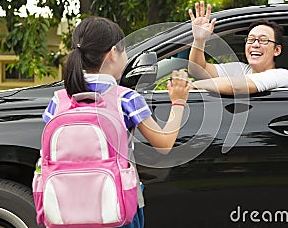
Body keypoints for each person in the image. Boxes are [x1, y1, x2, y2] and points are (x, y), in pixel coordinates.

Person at [42, 16, 191, 228]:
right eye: (125, 51)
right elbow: (164, 144)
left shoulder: (58, 101)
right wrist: (178, 103)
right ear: (113, 53)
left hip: (65, 208)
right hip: (114, 207)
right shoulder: (126, 98)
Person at [187, 1, 288, 95]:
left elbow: (237, 86)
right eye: (251, 39)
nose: (255, 44)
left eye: (263, 40)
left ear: (277, 50)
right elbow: (198, 71)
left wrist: (192, 86)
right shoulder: (239, 69)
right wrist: (199, 41)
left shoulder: (283, 76)